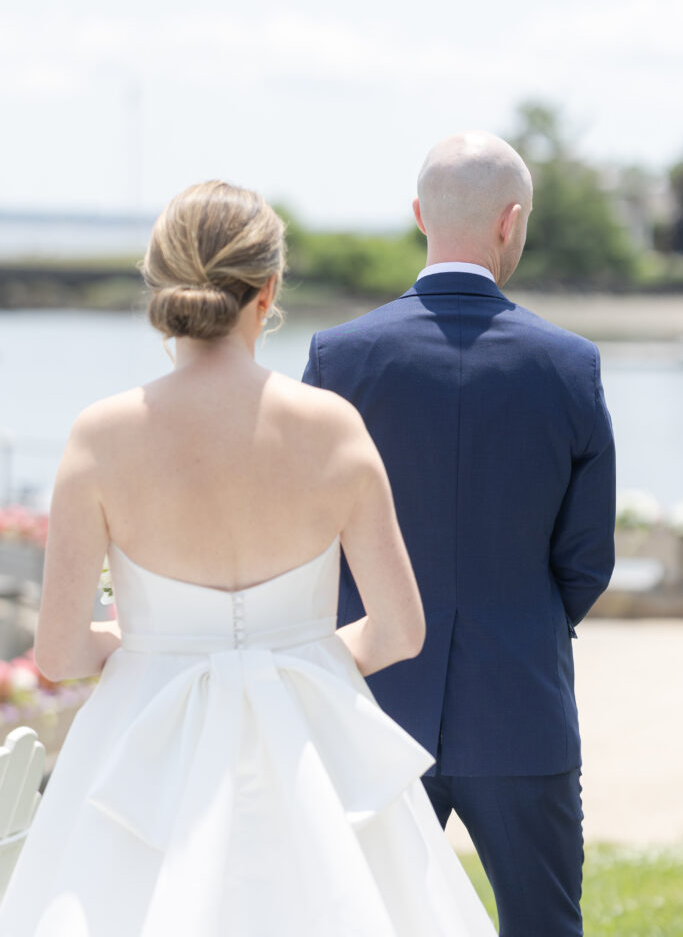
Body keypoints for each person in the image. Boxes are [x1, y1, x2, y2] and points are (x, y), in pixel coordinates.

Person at [0, 180, 496, 936]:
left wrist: (142, 640)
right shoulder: (332, 427)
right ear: (269, 289)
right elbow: (399, 631)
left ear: (160, 285)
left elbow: (63, 652)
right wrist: (293, 659)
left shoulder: (101, 435)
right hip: (310, 745)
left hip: (144, 747)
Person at [303, 132, 616, 937]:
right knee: (544, 926)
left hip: (371, 705)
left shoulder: (339, 358)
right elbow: (586, 559)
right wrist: (524, 622)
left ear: (417, 216)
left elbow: (305, 534)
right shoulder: (569, 365)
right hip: (522, 706)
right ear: (511, 222)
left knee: (361, 922)